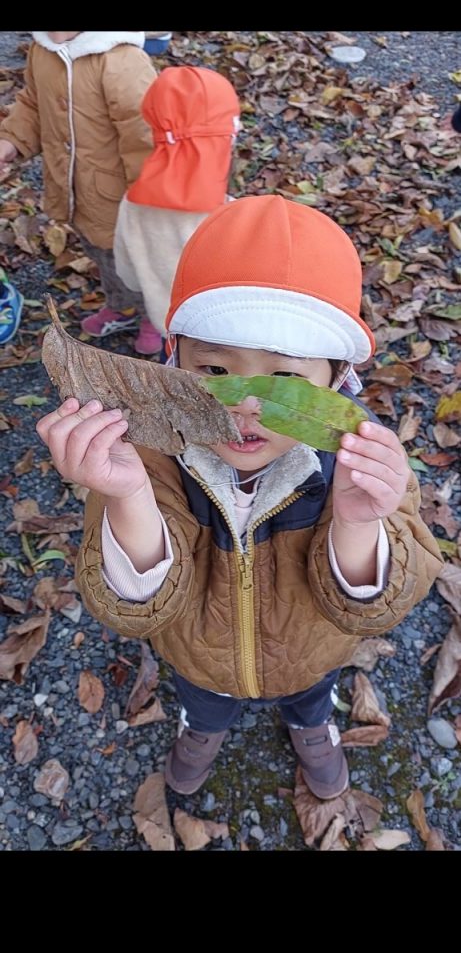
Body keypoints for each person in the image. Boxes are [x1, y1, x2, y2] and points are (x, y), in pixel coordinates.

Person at [37, 196, 443, 800]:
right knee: (204, 701)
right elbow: (132, 605)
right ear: (176, 365)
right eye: (216, 374)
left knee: (309, 691)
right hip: (201, 655)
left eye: (283, 381)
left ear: (336, 384)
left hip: (309, 650)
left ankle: (311, 723)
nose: (244, 408)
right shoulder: (153, 456)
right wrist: (126, 499)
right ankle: (201, 729)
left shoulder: (362, 463)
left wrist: (358, 525)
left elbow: (378, 604)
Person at [0, 32, 156, 345]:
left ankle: (155, 316)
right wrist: (11, 142)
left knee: (137, 261)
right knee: (101, 255)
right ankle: (122, 307)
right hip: (78, 193)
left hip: (124, 201)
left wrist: (149, 200)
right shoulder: (44, 49)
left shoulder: (120, 60)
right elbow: (34, 103)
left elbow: (145, 138)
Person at [113, 66, 240, 354]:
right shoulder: (230, 216)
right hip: (226, 340)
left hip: (168, 325)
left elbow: (127, 273)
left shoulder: (132, 204)